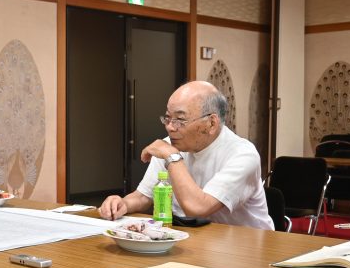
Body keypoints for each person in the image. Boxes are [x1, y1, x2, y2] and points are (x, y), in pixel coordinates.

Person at [99, 80, 273, 230]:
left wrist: (173, 158)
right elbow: (144, 196)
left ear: (211, 123)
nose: (170, 127)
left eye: (180, 120)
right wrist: (123, 204)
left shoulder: (243, 155)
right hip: (196, 239)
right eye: (168, 118)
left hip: (246, 246)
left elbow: (197, 207)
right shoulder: (170, 146)